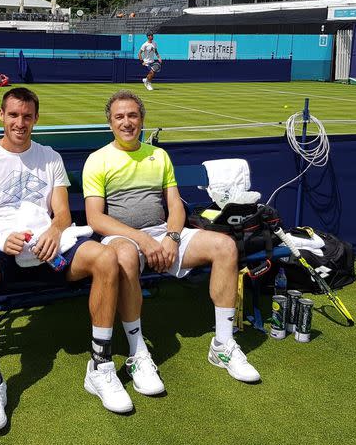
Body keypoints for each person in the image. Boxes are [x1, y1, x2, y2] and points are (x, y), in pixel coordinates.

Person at [0, 88, 133, 434]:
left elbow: (63, 213)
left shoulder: (49, 156)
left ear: (36, 119)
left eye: (27, 116)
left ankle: (100, 366)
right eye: (13, 115)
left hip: (51, 250)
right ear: (1, 116)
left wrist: (53, 230)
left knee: (106, 258)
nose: (20, 122)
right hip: (1, 252)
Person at [82, 90, 261, 393]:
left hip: (164, 234)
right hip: (122, 238)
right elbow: (96, 219)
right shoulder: (97, 160)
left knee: (225, 246)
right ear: (110, 123)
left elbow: (175, 205)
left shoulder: (159, 155)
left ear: (142, 119)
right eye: (119, 117)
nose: (127, 122)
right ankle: (138, 353)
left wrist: (172, 238)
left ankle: (223, 344)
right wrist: (143, 240)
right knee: (124, 257)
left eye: (132, 115)